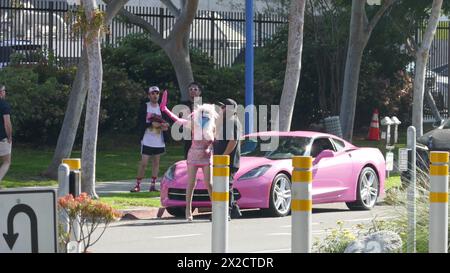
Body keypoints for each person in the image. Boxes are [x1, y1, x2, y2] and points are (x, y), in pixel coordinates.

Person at [160, 89, 219, 221]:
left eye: (207, 115)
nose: (204, 117)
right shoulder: (194, 124)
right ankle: (188, 210)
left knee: (209, 183)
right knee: (191, 183)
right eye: (202, 114)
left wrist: (209, 148)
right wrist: (165, 109)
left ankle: (215, 209)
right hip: (193, 155)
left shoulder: (212, 128)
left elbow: (213, 141)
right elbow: (178, 120)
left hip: (206, 156)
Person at [130, 86, 170, 192]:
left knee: (156, 163)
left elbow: (167, 121)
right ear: (149, 95)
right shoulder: (145, 106)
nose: (155, 95)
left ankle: (153, 185)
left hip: (159, 141)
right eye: (152, 93)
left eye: (157, 93)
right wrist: (151, 124)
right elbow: (140, 122)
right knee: (143, 163)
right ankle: (137, 185)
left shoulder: (162, 107)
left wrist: (165, 126)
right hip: (147, 139)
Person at [214, 98, 242, 219]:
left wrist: (223, 156)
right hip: (222, 161)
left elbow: (233, 141)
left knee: (226, 186)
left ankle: (226, 212)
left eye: (224, 107)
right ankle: (235, 210)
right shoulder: (226, 121)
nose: (222, 109)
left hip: (228, 161)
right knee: (224, 185)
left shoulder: (233, 122)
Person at [180, 82, 203, 159]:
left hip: (201, 136)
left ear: (199, 92)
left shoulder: (204, 106)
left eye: (195, 89)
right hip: (188, 136)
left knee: (201, 157)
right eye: (190, 89)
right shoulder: (184, 105)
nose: (193, 91)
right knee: (188, 157)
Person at [0, 84, 12, 185]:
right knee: (6, 162)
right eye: (4, 91)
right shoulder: (4, 105)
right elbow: (7, 123)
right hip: (2, 138)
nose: (5, 92)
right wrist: (9, 137)